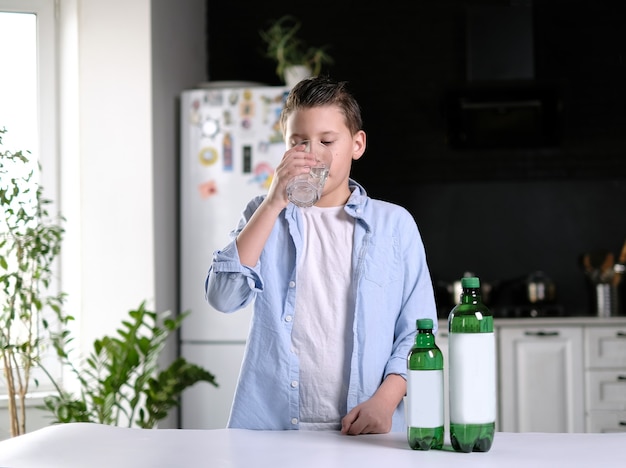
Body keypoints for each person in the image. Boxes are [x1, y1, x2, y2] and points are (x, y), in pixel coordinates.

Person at [205, 76, 437, 435]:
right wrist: (273, 202)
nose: (312, 154)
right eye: (298, 142)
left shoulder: (394, 225)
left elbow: (417, 330)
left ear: (357, 144)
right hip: (272, 430)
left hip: (366, 430)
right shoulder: (263, 214)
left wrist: (385, 401)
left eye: (327, 141)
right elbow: (223, 297)